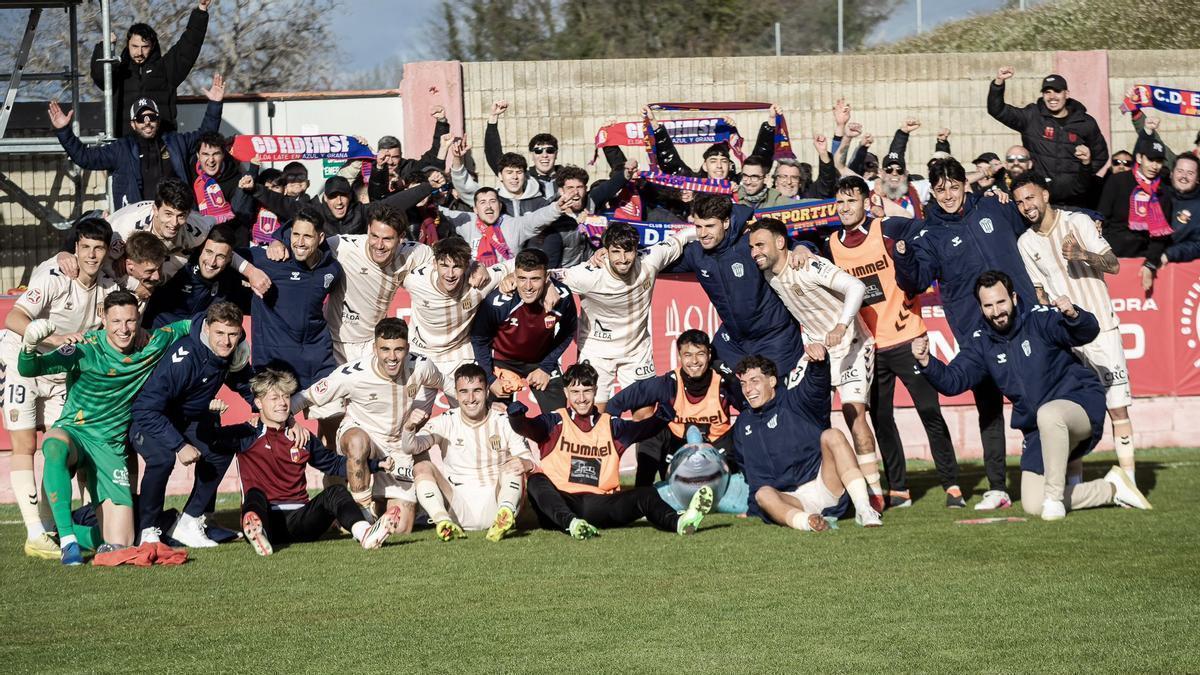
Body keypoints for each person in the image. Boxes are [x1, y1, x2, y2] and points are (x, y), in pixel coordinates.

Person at [912, 271, 1151, 520]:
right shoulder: (981, 342)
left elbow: (1087, 332)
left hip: (1078, 406)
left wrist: (1073, 315)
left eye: (1001, 302)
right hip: (1039, 428)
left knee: (1049, 414)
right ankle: (1112, 489)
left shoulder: (1039, 319)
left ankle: (1055, 502)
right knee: (1033, 503)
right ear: (981, 308)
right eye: (989, 306)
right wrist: (927, 361)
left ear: (1013, 298)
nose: (996, 311)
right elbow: (954, 381)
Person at [893, 157, 1038, 510]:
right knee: (988, 409)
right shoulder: (929, 234)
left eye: (953, 187)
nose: (947, 195)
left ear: (964, 184)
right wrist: (903, 258)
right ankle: (998, 488)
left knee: (1037, 400)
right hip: (978, 335)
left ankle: (1047, 471)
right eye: (940, 189)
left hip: (1025, 323)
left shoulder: (993, 206)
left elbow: (1040, 219)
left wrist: (1090, 220)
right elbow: (916, 281)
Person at [17, 290, 192, 564]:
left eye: (131, 321)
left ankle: (69, 531)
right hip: (76, 432)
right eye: (117, 321)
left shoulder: (154, 342)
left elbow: (194, 324)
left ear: (139, 319)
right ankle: (68, 541)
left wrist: (235, 338)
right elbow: (30, 369)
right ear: (103, 318)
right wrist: (29, 345)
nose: (124, 329)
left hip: (110, 446)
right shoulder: (84, 346)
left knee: (120, 544)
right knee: (53, 444)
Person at [826, 176, 964, 508]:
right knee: (881, 420)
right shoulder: (830, 244)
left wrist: (913, 266)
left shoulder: (887, 229)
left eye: (852, 201)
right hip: (869, 347)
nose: (845, 207)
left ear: (865, 201)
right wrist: (802, 248)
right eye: (840, 202)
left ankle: (952, 485)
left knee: (929, 411)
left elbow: (924, 229)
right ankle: (899, 488)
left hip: (908, 337)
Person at [746, 216, 884, 508]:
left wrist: (841, 326)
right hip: (818, 351)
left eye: (760, 245)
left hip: (852, 345)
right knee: (798, 409)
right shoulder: (770, 273)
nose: (754, 251)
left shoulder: (806, 265)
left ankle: (874, 494)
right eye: (751, 247)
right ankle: (817, 481)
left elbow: (856, 288)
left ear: (780, 243)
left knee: (853, 413)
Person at [1, 218, 119, 558]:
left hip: (60, 374)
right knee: (24, 445)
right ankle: (35, 532)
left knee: (60, 449)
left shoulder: (108, 288)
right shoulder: (53, 277)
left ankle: (50, 528)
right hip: (23, 361)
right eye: (86, 248)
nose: (92, 256)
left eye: (98, 248)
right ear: (76, 248)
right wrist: (54, 339)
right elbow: (14, 319)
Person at [1012, 174, 1136, 483]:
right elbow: (1040, 292)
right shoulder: (1026, 243)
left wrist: (1082, 255)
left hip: (1102, 329)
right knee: (1073, 410)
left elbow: (1113, 264)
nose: (1026, 206)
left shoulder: (1078, 223)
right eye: (1019, 202)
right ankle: (1073, 484)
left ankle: (1131, 483)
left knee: (1117, 408)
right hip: (1066, 340)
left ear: (1045, 195)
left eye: (1030, 197)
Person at [507, 362, 713, 538]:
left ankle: (680, 523)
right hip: (560, 504)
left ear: (596, 391)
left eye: (587, 391)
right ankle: (572, 524)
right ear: (566, 393)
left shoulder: (611, 426)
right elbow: (528, 427)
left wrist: (661, 418)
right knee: (536, 479)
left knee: (645, 494)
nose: (581, 398)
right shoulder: (555, 420)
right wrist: (517, 418)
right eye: (575, 392)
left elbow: (641, 429)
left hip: (599, 505)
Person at [218, 368, 402, 556]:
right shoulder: (245, 433)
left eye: (286, 397)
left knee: (335, 492)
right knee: (254, 494)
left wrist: (374, 464)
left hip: (301, 519)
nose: (282, 403)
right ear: (258, 403)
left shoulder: (302, 437)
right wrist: (212, 415)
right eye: (274, 398)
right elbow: (211, 442)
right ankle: (258, 532)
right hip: (267, 517)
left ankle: (365, 533)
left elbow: (334, 464)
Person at [289, 318, 444, 532]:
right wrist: (285, 419)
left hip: (398, 447)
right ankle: (361, 514)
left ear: (407, 348)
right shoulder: (352, 375)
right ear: (374, 348)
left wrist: (426, 409)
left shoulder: (421, 365)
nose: (392, 357)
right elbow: (306, 397)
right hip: (364, 436)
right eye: (385, 349)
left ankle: (375, 508)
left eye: (398, 349)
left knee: (401, 529)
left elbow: (445, 384)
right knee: (356, 442)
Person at [128, 302, 255, 547]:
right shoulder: (185, 357)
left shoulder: (234, 350)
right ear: (207, 329)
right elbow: (145, 408)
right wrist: (179, 445)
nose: (226, 341)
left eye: (232, 334)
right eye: (220, 333)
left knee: (221, 447)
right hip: (149, 418)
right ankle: (147, 530)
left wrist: (263, 408)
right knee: (162, 459)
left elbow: (245, 383)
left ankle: (188, 522)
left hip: (187, 418)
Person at [733, 346, 883, 531]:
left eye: (754, 381)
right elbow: (749, 473)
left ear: (772, 381)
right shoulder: (742, 424)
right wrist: (753, 509)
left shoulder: (796, 400)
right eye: (743, 384)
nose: (748, 389)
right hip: (791, 500)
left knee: (832, 435)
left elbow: (816, 386)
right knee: (763, 495)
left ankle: (864, 509)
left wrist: (818, 364)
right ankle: (808, 522)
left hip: (824, 485)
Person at [665, 194, 807, 384]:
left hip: (774, 336)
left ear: (725, 222)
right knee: (708, 364)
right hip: (734, 339)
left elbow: (784, 245)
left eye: (709, 226)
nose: (703, 233)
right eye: (698, 227)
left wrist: (802, 247)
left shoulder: (749, 241)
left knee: (775, 398)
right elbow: (658, 262)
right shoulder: (696, 254)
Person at [554, 221, 694, 410]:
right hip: (597, 351)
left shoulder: (650, 260)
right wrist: (524, 281)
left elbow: (683, 236)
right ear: (606, 251)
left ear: (637, 250)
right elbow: (544, 276)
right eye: (616, 252)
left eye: (628, 251)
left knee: (645, 413)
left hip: (637, 351)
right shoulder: (589, 275)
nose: (623, 259)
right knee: (595, 415)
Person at [397, 364, 537, 542]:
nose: (470, 398)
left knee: (514, 465)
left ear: (487, 392)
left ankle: (505, 516)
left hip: (496, 501)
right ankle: (443, 522)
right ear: (455, 394)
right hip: (456, 506)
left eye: (476, 391)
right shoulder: (445, 421)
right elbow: (411, 447)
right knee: (422, 466)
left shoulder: (504, 421)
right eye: (464, 392)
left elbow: (528, 459)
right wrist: (409, 428)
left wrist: (526, 464)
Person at [50, 73, 226, 208]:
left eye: (152, 117)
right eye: (141, 118)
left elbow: (206, 136)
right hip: (138, 224)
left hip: (176, 219)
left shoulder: (176, 142)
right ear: (133, 124)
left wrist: (215, 104)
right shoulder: (121, 149)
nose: (147, 122)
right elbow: (84, 158)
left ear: (158, 120)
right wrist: (63, 130)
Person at [605, 330, 740, 486]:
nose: (694, 361)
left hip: (717, 454)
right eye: (688, 355)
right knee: (651, 427)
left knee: (746, 424)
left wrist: (731, 378)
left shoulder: (723, 382)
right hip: (678, 457)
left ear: (709, 355)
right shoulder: (669, 383)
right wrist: (607, 423)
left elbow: (748, 407)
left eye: (700, 354)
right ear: (680, 356)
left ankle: (746, 483)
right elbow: (618, 402)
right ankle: (642, 492)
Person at [402, 237, 514, 400]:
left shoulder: (480, 281)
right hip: (421, 355)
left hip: (458, 356)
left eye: (457, 267)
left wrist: (514, 277)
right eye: (444, 266)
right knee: (413, 419)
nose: (450, 274)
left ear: (467, 266)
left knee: (471, 415)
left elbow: (521, 263)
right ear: (434, 264)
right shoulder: (415, 281)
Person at [245, 207, 342, 389]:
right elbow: (228, 253)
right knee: (276, 416)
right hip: (274, 364)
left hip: (317, 361)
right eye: (295, 234)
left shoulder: (333, 270)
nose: (300, 242)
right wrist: (250, 272)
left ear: (320, 238)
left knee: (332, 414)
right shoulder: (271, 259)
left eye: (307, 236)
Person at [471, 248, 576, 413]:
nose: (528, 287)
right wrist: (490, 379)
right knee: (491, 417)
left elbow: (568, 331)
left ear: (547, 278)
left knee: (559, 418)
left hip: (541, 360)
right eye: (522, 278)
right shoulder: (498, 302)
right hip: (501, 360)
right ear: (514, 276)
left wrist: (546, 367)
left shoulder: (561, 298)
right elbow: (479, 340)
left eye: (535, 279)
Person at [987, 68, 1107, 207]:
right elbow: (997, 110)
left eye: (1057, 91)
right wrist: (998, 82)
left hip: (1076, 200)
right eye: (1047, 92)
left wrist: (1079, 180)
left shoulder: (1085, 122)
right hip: (1040, 198)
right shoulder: (1032, 116)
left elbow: (1101, 156)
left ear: (1066, 94)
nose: (1052, 97)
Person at [90, 0, 211, 136]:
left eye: (144, 47)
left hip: (161, 143)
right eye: (135, 46)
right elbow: (99, 75)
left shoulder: (165, 69)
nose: (139, 52)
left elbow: (189, 46)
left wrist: (201, 11)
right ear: (128, 44)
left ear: (152, 46)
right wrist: (103, 46)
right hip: (126, 146)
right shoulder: (117, 71)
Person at [1098, 136, 1173, 291]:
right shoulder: (1117, 181)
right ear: (1139, 158)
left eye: (1159, 161)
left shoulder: (1163, 191)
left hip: (1143, 258)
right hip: (1114, 256)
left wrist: (1150, 263)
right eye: (1150, 160)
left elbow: (1160, 236)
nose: (1154, 166)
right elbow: (1102, 217)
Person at [140, 225, 251, 329]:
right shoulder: (177, 269)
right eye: (209, 252)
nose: (212, 262)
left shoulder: (229, 278)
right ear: (200, 249)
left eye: (220, 256)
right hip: (160, 332)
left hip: (197, 337)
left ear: (230, 258)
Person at [483, 100, 562, 199]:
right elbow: (493, 154)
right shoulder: (524, 178)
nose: (544, 155)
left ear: (556, 154)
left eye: (550, 150)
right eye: (538, 151)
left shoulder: (567, 178)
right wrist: (493, 117)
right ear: (531, 154)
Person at [1163, 152, 1200, 264]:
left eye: (1190, 173)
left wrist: (1170, 254)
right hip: (1146, 262)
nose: (1184, 177)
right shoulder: (1158, 196)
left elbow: (1198, 245)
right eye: (1180, 171)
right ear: (1171, 173)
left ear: (1198, 178)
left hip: (1180, 268)